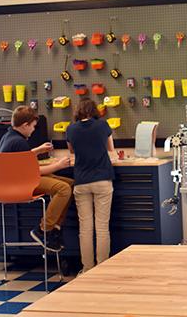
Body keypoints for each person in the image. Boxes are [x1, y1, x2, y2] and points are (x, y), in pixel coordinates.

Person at [0, 105, 72, 251]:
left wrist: (37, 150)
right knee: (64, 188)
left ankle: (55, 228)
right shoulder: (19, 142)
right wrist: (59, 165)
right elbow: (34, 172)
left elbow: (20, 158)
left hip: (12, 181)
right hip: (19, 185)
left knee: (71, 183)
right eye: (33, 126)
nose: (33, 130)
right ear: (25, 125)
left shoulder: (9, 137)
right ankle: (43, 230)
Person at [66, 98, 115, 274]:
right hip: (102, 180)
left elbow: (71, 151)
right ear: (95, 110)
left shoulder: (71, 129)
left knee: (85, 228)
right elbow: (111, 148)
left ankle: (87, 268)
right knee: (102, 227)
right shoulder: (103, 125)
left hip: (81, 182)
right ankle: (102, 268)